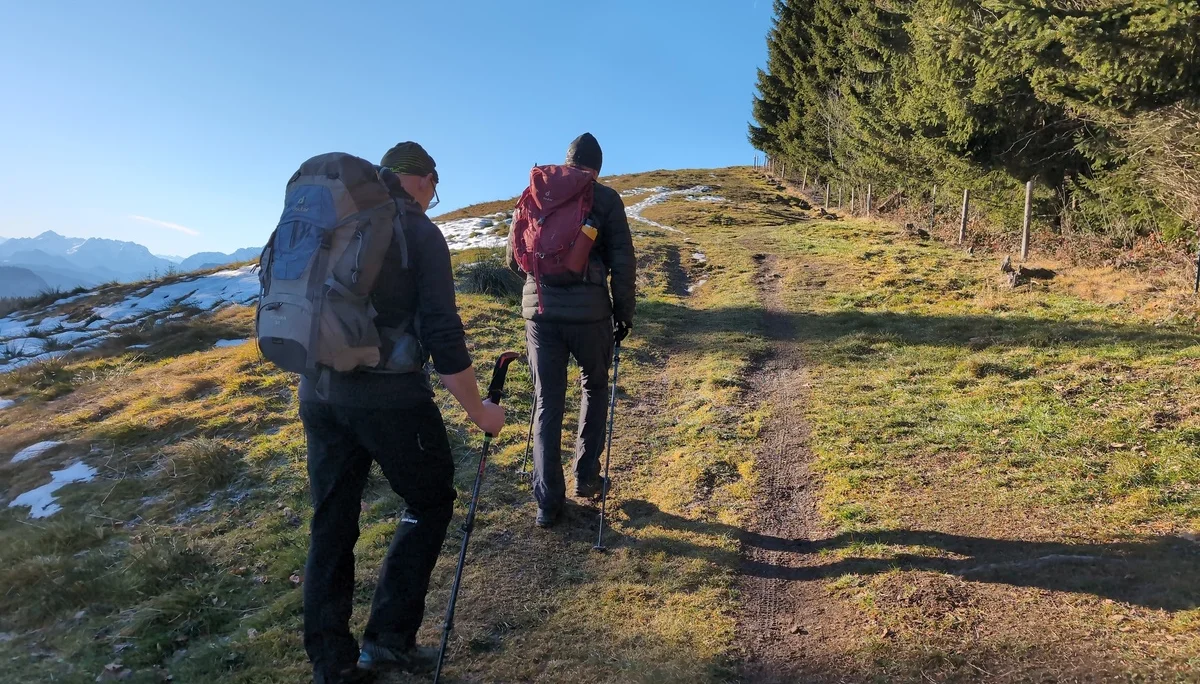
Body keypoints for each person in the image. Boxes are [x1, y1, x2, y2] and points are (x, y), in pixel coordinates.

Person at [297, 141, 506, 684]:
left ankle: (330, 663)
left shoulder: (336, 218)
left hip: (317, 390)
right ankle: (387, 644)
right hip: (388, 396)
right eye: (435, 185)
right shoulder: (416, 229)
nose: (434, 196)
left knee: (332, 519)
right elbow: (442, 333)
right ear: (421, 179)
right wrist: (480, 411)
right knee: (430, 499)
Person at [507, 132, 636, 528]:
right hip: (591, 314)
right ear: (597, 168)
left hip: (540, 314)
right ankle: (586, 476)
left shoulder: (534, 193)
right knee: (594, 386)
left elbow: (514, 258)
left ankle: (548, 503)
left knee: (547, 400)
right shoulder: (605, 199)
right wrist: (624, 312)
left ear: (567, 161)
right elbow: (623, 261)